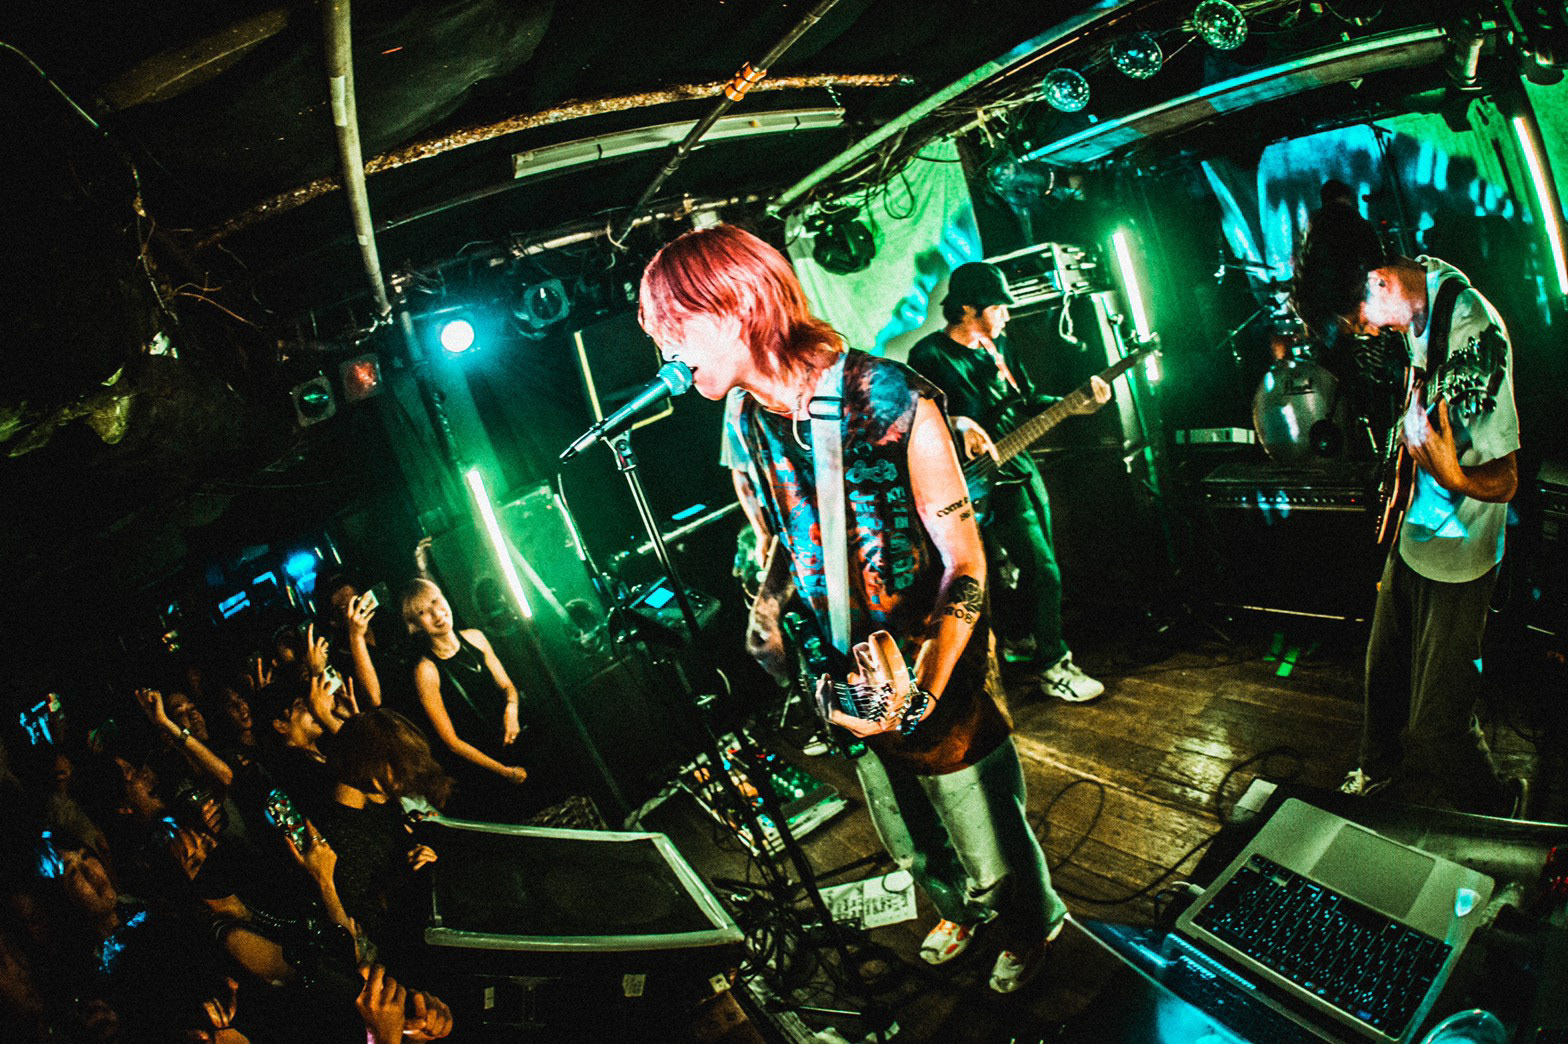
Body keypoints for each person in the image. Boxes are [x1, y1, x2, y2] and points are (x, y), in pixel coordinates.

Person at [643, 224, 1068, 993]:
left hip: (936, 657)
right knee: (907, 830)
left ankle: (1028, 924)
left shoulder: (889, 395)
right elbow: (782, 534)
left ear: (737, 308)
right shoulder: (744, 418)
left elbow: (966, 561)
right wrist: (768, 608)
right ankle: (959, 908)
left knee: (986, 830)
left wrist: (921, 691)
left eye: (674, 327)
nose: (664, 352)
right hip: (843, 667)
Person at [1293, 193, 1524, 816]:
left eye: (1361, 318)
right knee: (1383, 684)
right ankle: (1376, 778)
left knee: (1437, 728)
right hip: (1414, 533)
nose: (1368, 330)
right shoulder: (1420, 290)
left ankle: (1501, 809)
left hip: (1460, 557)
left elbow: (1506, 480)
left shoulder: (1472, 332)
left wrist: (1452, 472)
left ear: (1379, 280)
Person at [907, 261, 1111, 702]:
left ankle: (1023, 639)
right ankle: (1054, 666)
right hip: (977, 483)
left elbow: (1027, 399)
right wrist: (959, 423)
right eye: (998, 307)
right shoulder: (929, 356)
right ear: (967, 308)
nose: (1006, 315)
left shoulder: (999, 348)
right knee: (1041, 571)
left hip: (1020, 465)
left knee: (1037, 568)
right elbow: (915, 419)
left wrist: (1077, 403)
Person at [402, 579, 528, 815]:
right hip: (486, 768)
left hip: (517, 738)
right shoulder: (426, 670)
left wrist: (511, 711)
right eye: (423, 612)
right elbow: (451, 741)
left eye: (436, 601)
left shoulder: (475, 637)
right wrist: (504, 771)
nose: (437, 613)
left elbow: (507, 686)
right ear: (415, 625)